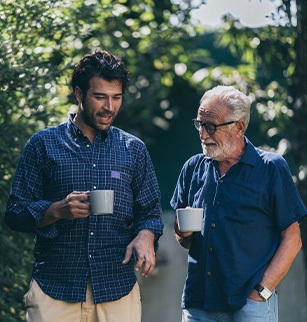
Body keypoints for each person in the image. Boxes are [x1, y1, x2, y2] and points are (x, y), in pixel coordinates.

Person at [5, 49, 163, 322]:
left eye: (117, 97)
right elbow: (15, 214)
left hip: (117, 289)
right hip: (55, 290)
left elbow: (150, 212)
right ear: (79, 94)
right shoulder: (43, 145)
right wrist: (56, 210)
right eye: (100, 97)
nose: (109, 107)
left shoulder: (133, 150)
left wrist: (146, 236)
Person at [170, 85, 306, 322]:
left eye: (211, 126)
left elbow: (293, 238)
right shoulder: (192, 168)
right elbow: (184, 239)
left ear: (239, 126)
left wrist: (262, 291)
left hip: (250, 305)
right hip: (199, 302)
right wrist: (182, 231)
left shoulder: (271, 168)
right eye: (199, 124)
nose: (202, 134)